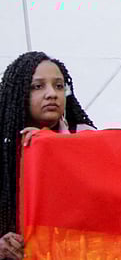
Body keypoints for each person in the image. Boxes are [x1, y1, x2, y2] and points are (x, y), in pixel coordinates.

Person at [0, 52, 95, 260]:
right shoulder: (5, 154)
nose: (52, 94)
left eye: (59, 86)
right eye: (37, 86)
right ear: (17, 93)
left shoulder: (87, 137)